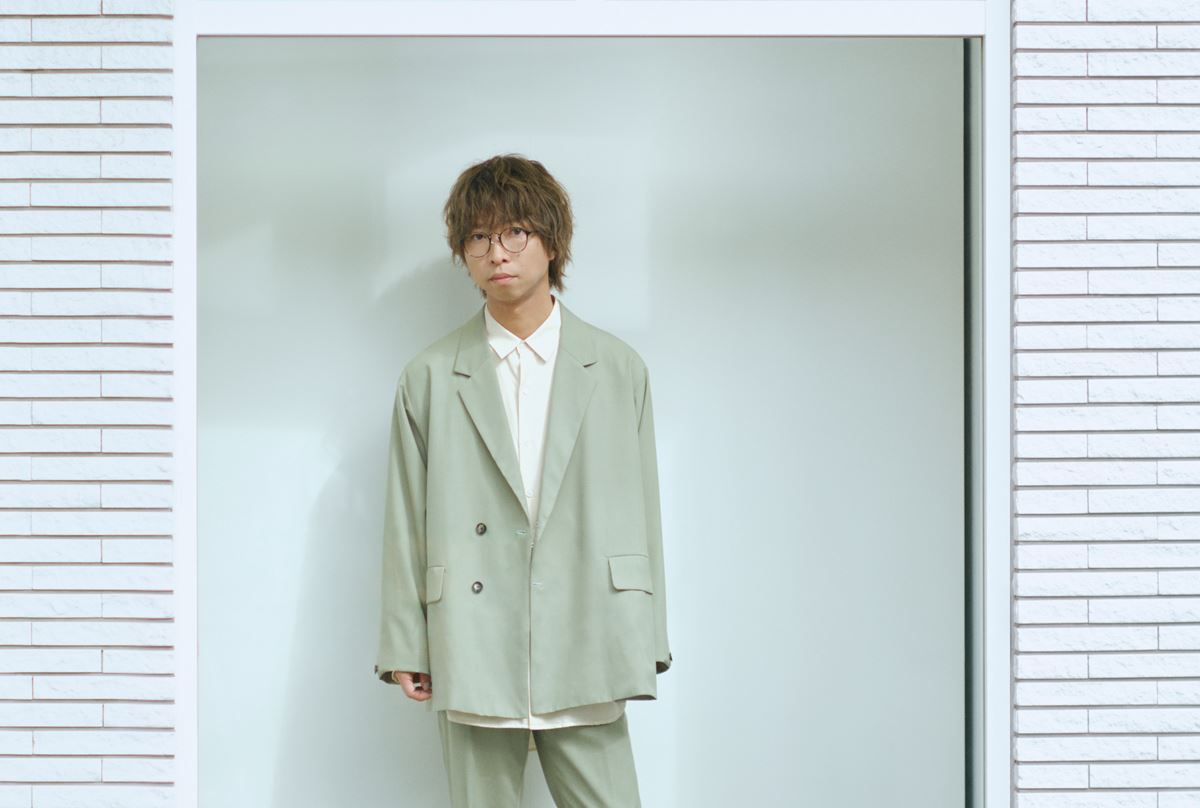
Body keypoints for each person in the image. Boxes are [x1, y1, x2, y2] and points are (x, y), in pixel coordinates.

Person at [375, 153, 671, 807]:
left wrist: (645, 633)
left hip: (590, 622)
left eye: (515, 232)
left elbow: (643, 510)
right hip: (472, 631)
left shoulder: (617, 368)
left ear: (551, 242)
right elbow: (404, 516)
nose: (496, 252)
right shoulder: (429, 375)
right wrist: (405, 641)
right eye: (479, 236)